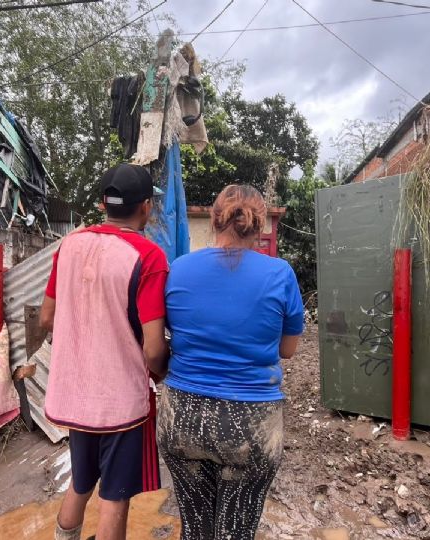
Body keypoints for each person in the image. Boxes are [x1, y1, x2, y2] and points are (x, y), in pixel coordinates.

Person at [157, 184, 305, 539]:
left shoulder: (179, 269)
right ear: (260, 224)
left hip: (182, 415)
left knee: (195, 528)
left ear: (214, 218)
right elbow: (287, 350)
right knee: (234, 532)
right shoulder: (280, 273)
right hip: (251, 422)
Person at [39, 163, 169, 540]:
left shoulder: (69, 245)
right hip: (119, 403)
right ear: (145, 207)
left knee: (80, 483)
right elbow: (154, 347)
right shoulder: (149, 257)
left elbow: (47, 318)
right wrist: (160, 372)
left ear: (103, 204)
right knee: (114, 496)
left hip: (74, 396)